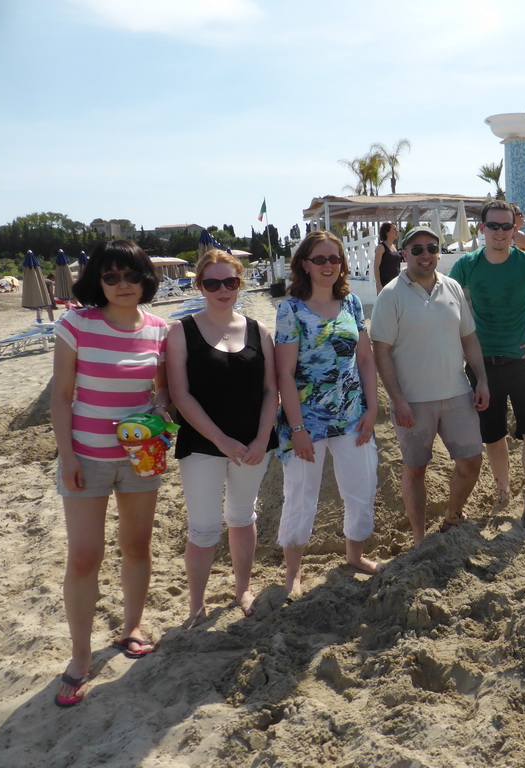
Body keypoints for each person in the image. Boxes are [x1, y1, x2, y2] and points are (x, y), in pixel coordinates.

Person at [50, 240, 168, 708]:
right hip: (86, 456)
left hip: (143, 456)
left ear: (146, 280)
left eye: (132, 276)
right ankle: (80, 657)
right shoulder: (76, 323)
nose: (123, 285)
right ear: (97, 281)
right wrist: (68, 456)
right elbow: (61, 395)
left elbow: (163, 391)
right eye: (112, 276)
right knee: (84, 555)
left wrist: (155, 417)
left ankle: (131, 627)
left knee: (137, 545)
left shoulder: (162, 329)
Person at [167, 250, 278, 627]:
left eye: (230, 282)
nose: (222, 290)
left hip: (252, 445)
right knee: (203, 527)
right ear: (199, 286)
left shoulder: (259, 330)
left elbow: (270, 391)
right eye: (212, 283)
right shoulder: (181, 332)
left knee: (243, 517)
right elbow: (181, 395)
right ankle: (196, 604)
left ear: (240, 283)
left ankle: (242, 588)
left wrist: (263, 438)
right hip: (202, 445)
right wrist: (221, 441)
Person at [449, 200, 525, 528]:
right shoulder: (466, 265)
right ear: (482, 228)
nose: (500, 232)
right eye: (494, 226)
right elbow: (448, 306)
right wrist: (461, 348)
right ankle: (503, 493)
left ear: (515, 230)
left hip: (524, 360)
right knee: (493, 436)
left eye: (506, 226)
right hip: (482, 365)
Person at [275, 231, 382, 596]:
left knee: (361, 488)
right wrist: (298, 427)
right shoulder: (290, 309)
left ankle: (355, 555)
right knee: (301, 496)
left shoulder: (351, 303)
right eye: (319, 259)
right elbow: (284, 375)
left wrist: (373, 407)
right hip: (307, 422)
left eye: (334, 259)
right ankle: (293, 573)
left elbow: (365, 359)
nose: (328, 266)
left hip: (352, 415)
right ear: (304, 264)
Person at [370, 226, 490, 543]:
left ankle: (453, 515)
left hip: (457, 393)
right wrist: (397, 399)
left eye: (432, 248)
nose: (426, 255)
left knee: (471, 461)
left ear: (439, 252)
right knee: (415, 469)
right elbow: (380, 350)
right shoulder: (390, 295)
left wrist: (482, 380)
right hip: (413, 401)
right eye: (418, 249)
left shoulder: (452, 287)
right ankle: (420, 537)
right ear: (404, 254)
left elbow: (469, 338)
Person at [373, 222, 402, 294]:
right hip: (385, 285)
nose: (397, 231)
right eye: (394, 229)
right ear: (387, 232)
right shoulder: (381, 248)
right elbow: (376, 267)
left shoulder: (394, 247)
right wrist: (379, 285)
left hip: (396, 285)